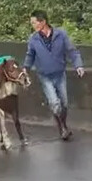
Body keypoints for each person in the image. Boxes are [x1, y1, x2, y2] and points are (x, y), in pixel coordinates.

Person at [23, 10, 84, 140]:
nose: (33, 25)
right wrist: (25, 69)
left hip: (59, 74)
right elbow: (30, 55)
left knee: (64, 103)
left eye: (34, 22)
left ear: (43, 22)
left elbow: (72, 51)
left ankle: (64, 125)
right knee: (54, 103)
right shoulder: (34, 39)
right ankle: (62, 128)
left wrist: (78, 65)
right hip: (45, 76)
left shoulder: (60, 34)